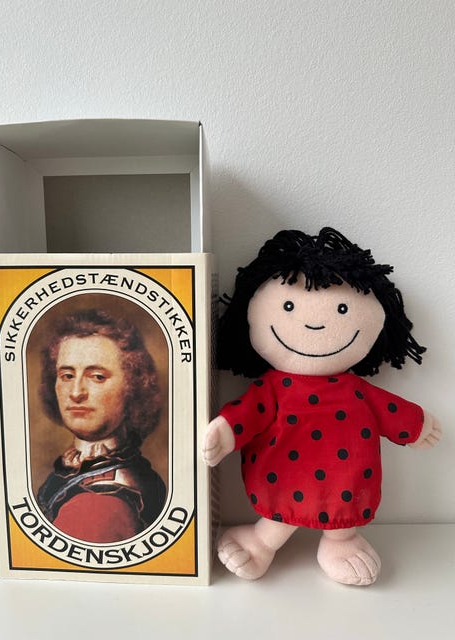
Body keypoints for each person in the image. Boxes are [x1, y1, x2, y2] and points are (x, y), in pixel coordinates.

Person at [202, 227, 441, 586]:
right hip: (284, 475)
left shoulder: (355, 389)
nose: (316, 323)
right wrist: (225, 430)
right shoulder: (273, 389)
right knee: (280, 516)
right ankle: (262, 541)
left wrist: (416, 425)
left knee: (341, 521)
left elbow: (388, 409)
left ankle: (339, 542)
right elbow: (250, 411)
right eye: (288, 306)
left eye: (343, 308)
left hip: (345, 483)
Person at [36, 308, 166, 543]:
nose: (76, 393)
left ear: (132, 386)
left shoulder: (100, 504)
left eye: (97, 377)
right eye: (67, 376)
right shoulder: (78, 464)